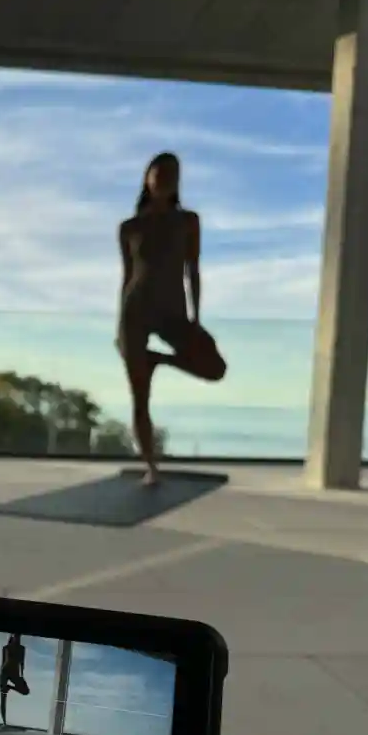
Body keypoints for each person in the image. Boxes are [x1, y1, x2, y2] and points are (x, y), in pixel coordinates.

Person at [116, 151, 227, 485]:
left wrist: (195, 317)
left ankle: (159, 360)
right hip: (135, 312)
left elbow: (193, 269)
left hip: (173, 311)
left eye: (172, 174)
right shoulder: (129, 228)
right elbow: (127, 278)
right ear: (147, 178)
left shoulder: (188, 222)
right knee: (139, 398)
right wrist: (118, 329)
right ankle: (151, 468)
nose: (165, 178)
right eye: (159, 172)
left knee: (214, 367)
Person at [0, 634, 29, 726]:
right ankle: (4, 722)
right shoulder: (6, 648)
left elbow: (22, 664)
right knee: (3, 698)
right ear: (13, 637)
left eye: (19, 637)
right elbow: (3, 662)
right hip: (4, 672)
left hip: (14, 674)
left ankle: (9, 687)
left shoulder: (22, 649)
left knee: (25, 691)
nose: (17, 638)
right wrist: (1, 679)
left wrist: (22, 677)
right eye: (16, 636)